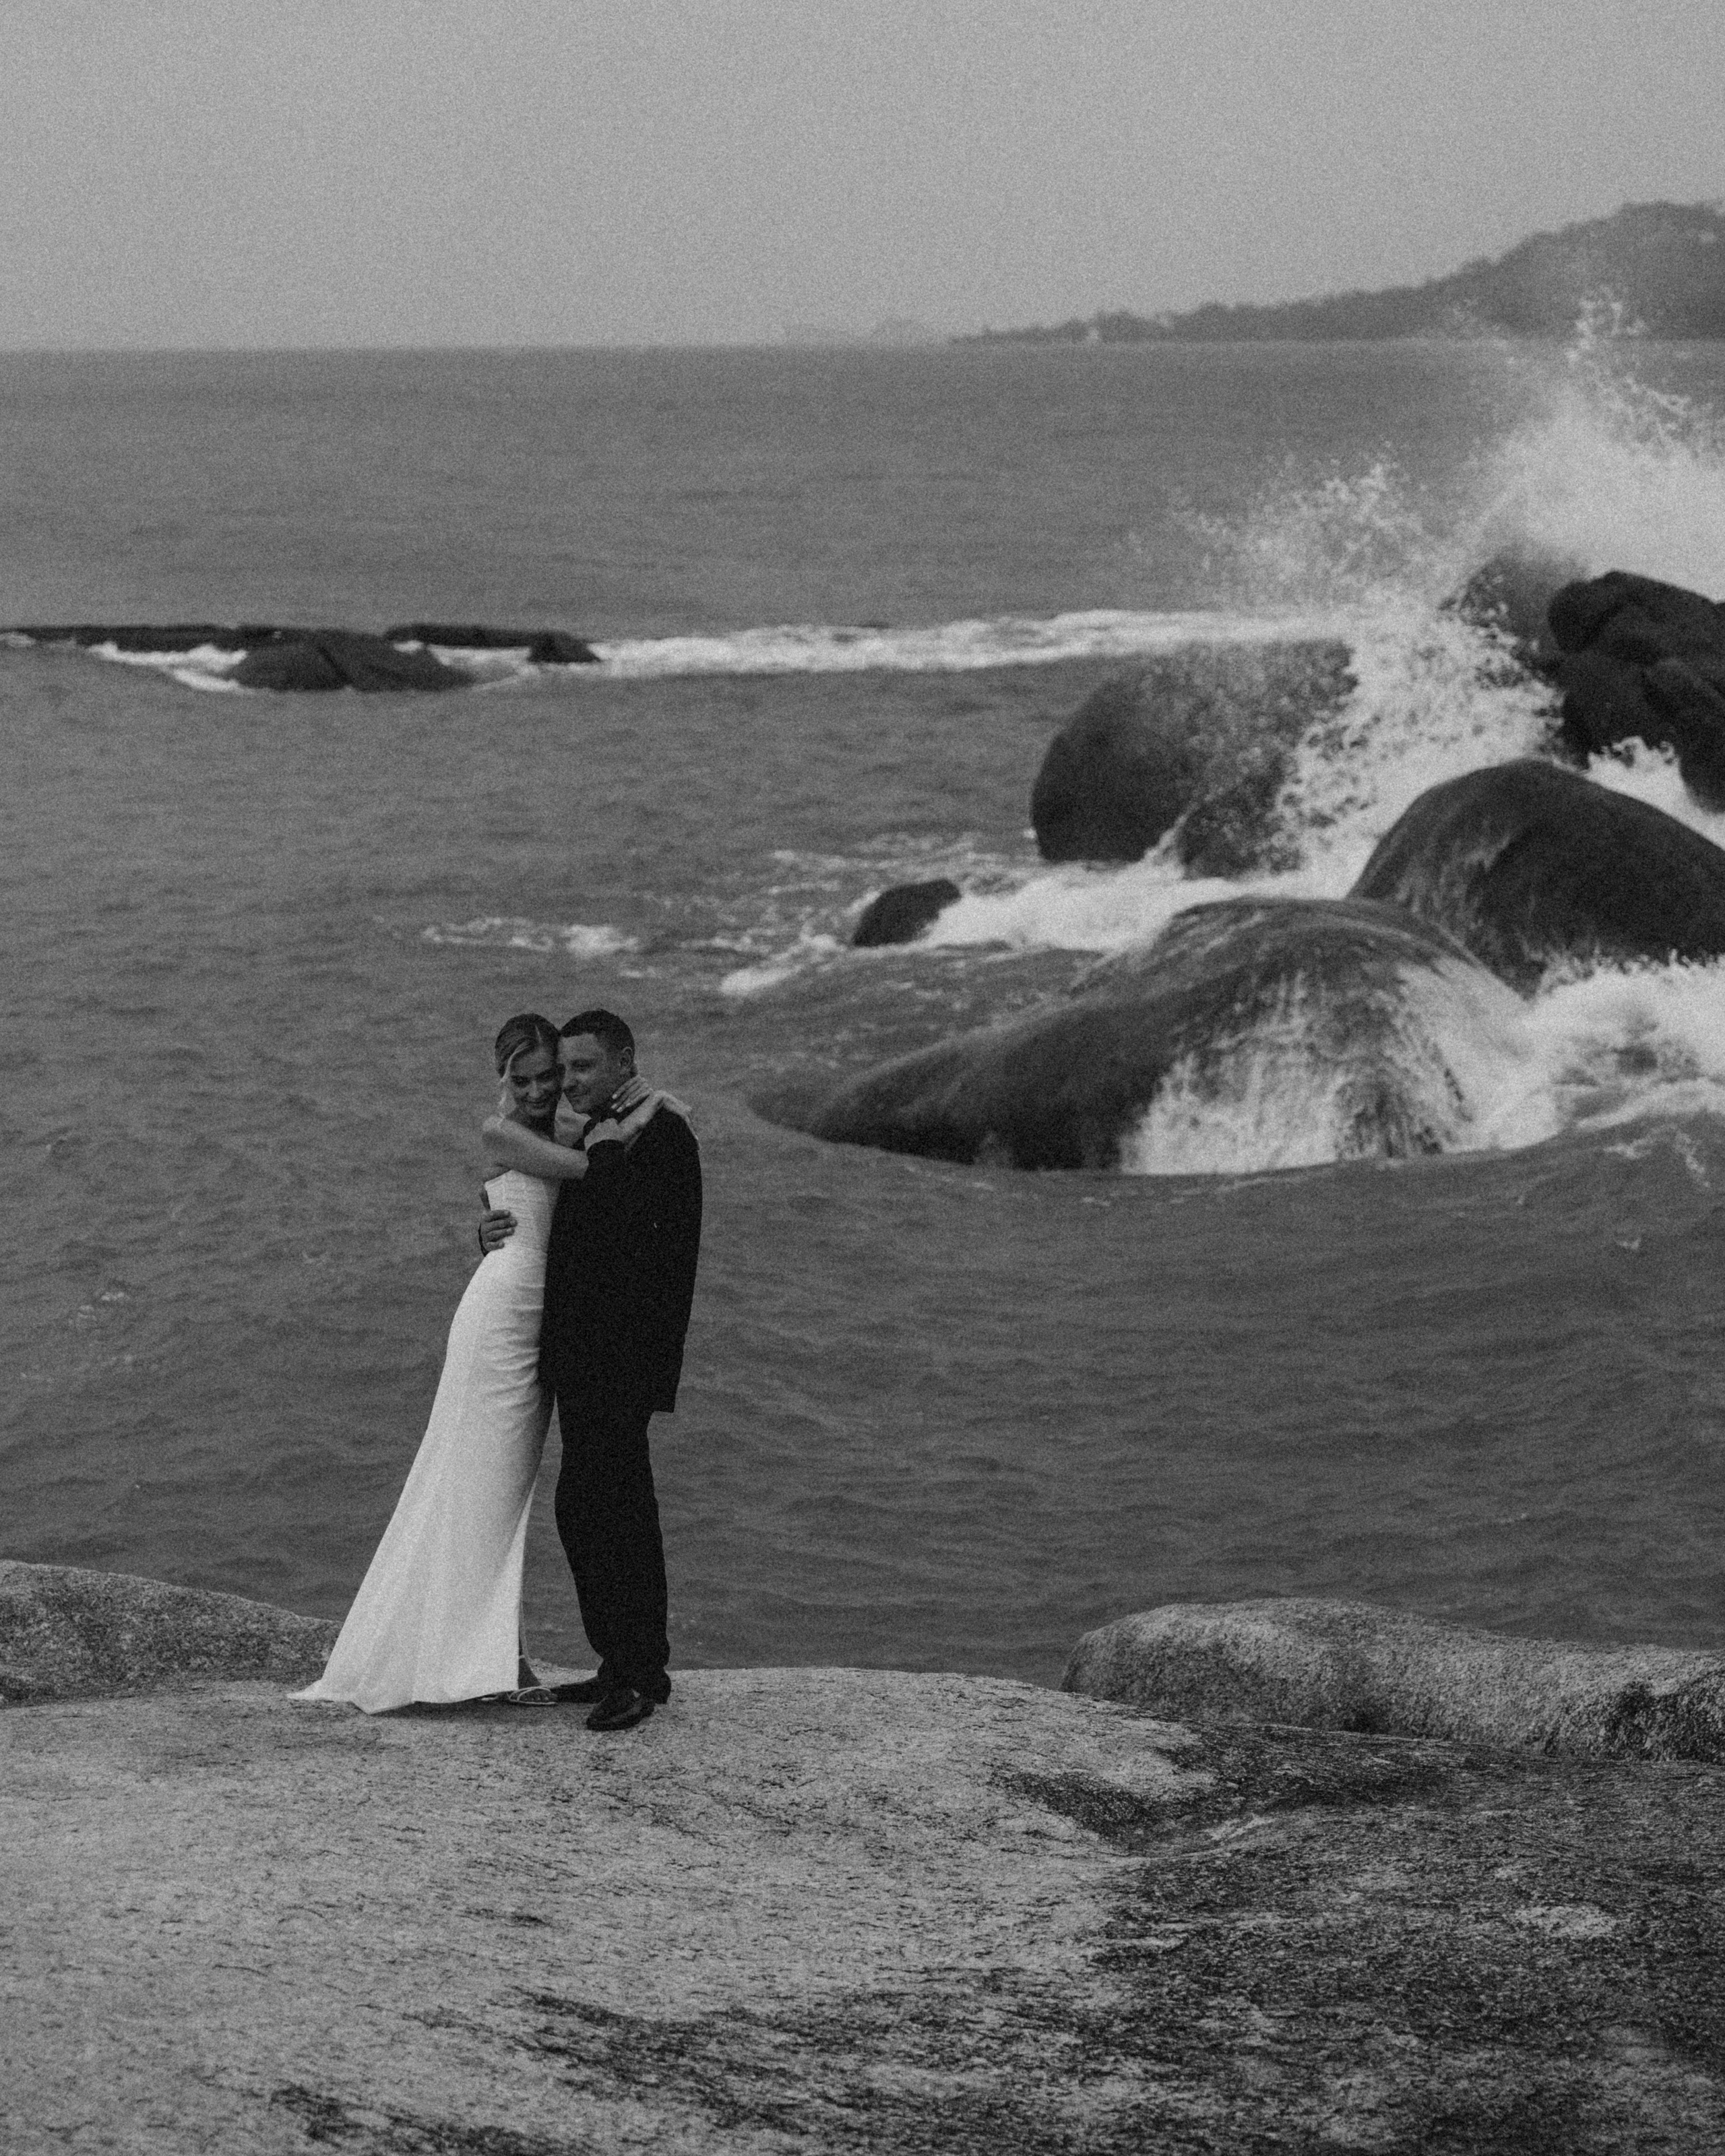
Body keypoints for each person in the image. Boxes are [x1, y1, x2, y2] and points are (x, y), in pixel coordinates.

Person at [294, 1013, 668, 1714]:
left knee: (503, 1491)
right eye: (520, 1078)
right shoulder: (503, 1132)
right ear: (502, 1079)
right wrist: (645, 1110)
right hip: (501, 1319)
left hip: (538, 1321)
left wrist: (493, 1212)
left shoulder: (551, 1128)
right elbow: (590, 1169)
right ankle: (469, 1659)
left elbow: (529, 1196)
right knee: (477, 1481)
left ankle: (490, 1654)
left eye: (548, 1075)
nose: (536, 1089)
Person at [480, 1008, 701, 1732]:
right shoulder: (605, 1130)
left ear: (623, 1059)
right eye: (561, 1069)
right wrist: (489, 1224)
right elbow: (550, 1212)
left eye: (581, 1067)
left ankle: (642, 1671)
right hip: (581, 1356)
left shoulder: (659, 1136)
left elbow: (648, 1248)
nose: (568, 1082)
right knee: (586, 1509)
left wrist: (636, 1367)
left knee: (619, 1513)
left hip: (620, 1361)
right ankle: (616, 1662)